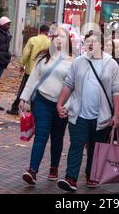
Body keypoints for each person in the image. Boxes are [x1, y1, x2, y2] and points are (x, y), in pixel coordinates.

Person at [56, 30, 119, 192]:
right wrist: (59, 104)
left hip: (102, 116)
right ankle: (71, 178)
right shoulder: (78, 62)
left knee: (96, 147)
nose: (91, 44)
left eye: (94, 41)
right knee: (76, 144)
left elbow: (117, 90)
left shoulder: (111, 63)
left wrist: (116, 115)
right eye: (88, 42)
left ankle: (92, 176)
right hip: (79, 114)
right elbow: (68, 84)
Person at [20, 26, 73, 185]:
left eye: (62, 37)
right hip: (42, 101)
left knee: (57, 138)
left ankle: (54, 167)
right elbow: (33, 79)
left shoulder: (73, 61)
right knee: (41, 135)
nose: (58, 39)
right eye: (55, 36)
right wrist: (24, 98)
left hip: (61, 105)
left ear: (67, 41)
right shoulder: (43, 57)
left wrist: (67, 106)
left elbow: (75, 87)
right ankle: (32, 170)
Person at [7, 24, 51, 115]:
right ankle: (34, 110)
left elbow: (26, 54)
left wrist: (22, 65)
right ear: (47, 32)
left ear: (40, 31)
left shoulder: (33, 40)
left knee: (24, 88)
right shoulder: (50, 42)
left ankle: (15, 108)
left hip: (30, 70)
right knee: (38, 91)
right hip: (43, 71)